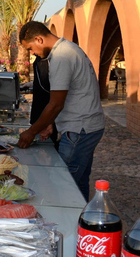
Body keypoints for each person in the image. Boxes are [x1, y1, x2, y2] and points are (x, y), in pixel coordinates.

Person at [17, 21, 105, 201]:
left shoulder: (61, 56)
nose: (32, 53)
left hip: (79, 128)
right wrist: (51, 123)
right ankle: (80, 222)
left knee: (62, 185)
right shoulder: (68, 49)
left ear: (39, 39)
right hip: (87, 126)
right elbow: (67, 96)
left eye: (31, 48)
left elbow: (56, 104)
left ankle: (68, 226)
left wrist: (31, 132)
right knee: (77, 183)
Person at [30, 56, 60, 150]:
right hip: (42, 118)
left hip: (46, 117)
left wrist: (47, 122)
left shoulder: (48, 60)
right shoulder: (41, 59)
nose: (31, 52)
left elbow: (52, 96)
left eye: (30, 48)